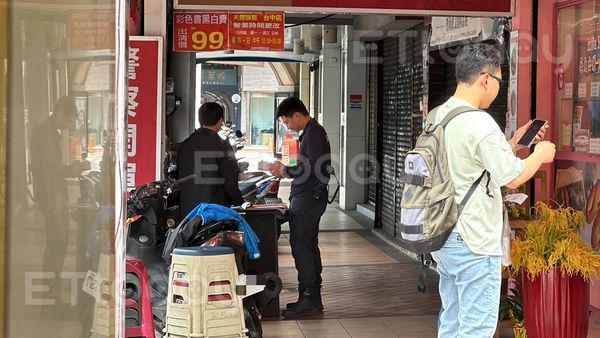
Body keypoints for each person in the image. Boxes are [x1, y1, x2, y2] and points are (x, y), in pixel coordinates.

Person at [430, 43, 555, 337]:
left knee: (452, 321)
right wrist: (540, 154)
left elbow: (470, 165)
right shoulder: (479, 121)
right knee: (476, 328)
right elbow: (512, 177)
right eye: (500, 81)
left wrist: (512, 144)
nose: (499, 87)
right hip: (473, 238)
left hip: (445, 233)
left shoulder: (439, 115)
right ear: (486, 79)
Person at [269, 97, 331, 318]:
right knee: (308, 245)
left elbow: (311, 168)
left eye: (287, 122)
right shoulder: (309, 133)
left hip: (308, 197)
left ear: (297, 114)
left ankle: (309, 299)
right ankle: (312, 298)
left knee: (301, 245)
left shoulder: (313, 133)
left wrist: (284, 171)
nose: (288, 126)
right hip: (307, 196)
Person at [30, 96, 89, 308]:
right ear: (61, 112)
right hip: (52, 197)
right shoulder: (47, 134)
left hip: (51, 195)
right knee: (57, 244)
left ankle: (51, 291)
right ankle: (51, 294)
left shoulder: (47, 131)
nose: (69, 124)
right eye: (69, 119)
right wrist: (73, 169)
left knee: (56, 245)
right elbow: (50, 170)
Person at [177, 102, 244, 216]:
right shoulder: (223, 146)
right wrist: (239, 202)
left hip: (188, 214)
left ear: (200, 120)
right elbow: (231, 181)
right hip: (215, 214)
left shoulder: (184, 146)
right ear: (220, 121)